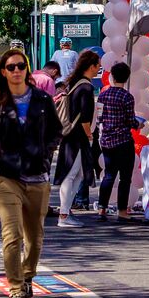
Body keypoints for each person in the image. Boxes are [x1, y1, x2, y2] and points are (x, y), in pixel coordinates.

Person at [0, 48, 62, 298]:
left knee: (35, 237)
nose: (16, 71)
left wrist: (45, 152)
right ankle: (15, 288)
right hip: (7, 175)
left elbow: (56, 131)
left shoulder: (42, 99)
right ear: (3, 72)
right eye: (10, 67)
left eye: (20, 66)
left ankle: (28, 275)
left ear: (27, 69)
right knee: (12, 235)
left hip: (37, 175)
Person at [53, 49, 100, 229]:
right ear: (91, 66)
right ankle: (64, 213)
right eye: (97, 66)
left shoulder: (75, 83)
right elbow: (85, 117)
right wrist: (89, 135)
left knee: (77, 174)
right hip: (78, 136)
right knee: (73, 174)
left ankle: (66, 211)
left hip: (70, 135)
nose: (98, 70)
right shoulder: (86, 87)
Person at [96, 62, 139, 222]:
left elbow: (99, 117)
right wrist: (138, 124)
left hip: (107, 140)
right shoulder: (127, 97)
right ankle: (122, 211)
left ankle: (102, 208)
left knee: (109, 175)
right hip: (123, 140)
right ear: (127, 78)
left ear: (112, 76)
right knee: (125, 177)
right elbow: (130, 121)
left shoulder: (103, 95)